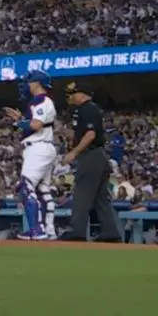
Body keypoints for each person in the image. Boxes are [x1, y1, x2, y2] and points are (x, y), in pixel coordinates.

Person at [60, 82, 121, 242]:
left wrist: (73, 152)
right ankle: (110, 232)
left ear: (81, 93)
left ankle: (76, 231)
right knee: (100, 197)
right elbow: (82, 134)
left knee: (82, 193)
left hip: (91, 156)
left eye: (73, 93)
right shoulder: (86, 110)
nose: (70, 97)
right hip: (98, 156)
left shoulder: (88, 108)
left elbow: (90, 135)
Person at [3, 70, 58, 240]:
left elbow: (35, 125)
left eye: (29, 82)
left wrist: (18, 122)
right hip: (45, 147)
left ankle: (36, 230)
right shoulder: (45, 101)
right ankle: (48, 229)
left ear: (37, 83)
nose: (27, 85)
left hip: (38, 148)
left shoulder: (40, 100)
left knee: (26, 188)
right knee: (42, 190)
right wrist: (21, 117)